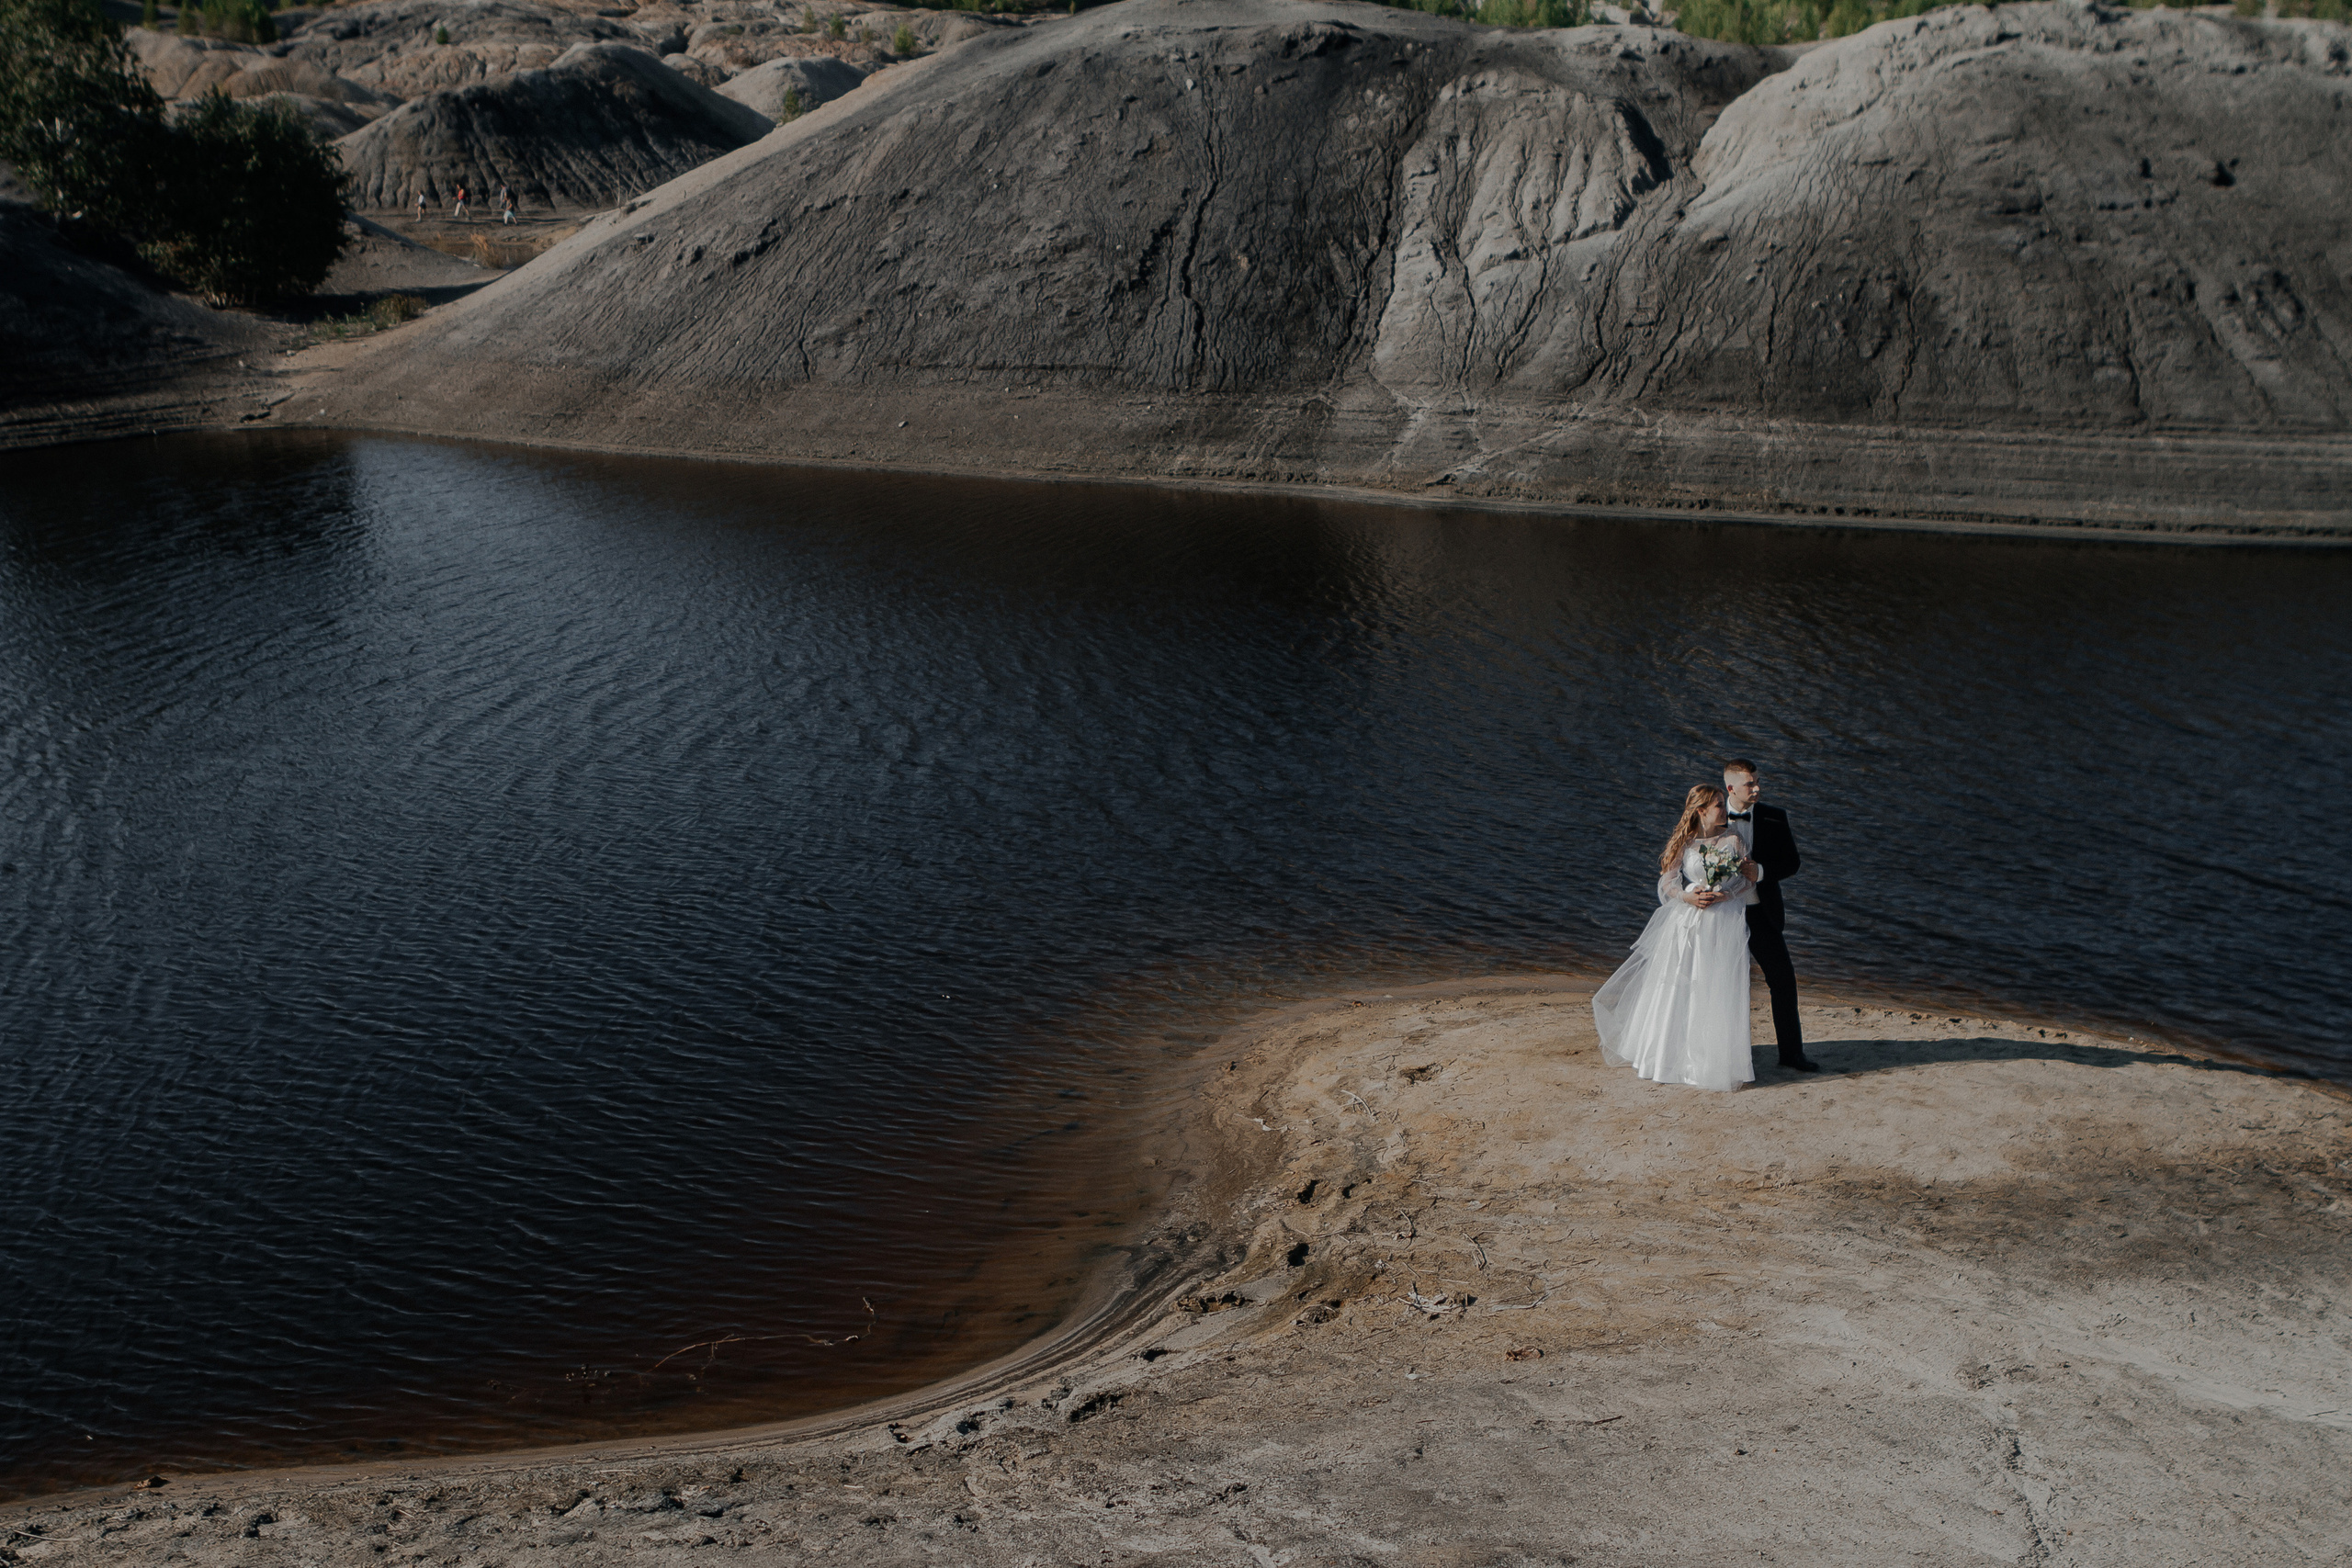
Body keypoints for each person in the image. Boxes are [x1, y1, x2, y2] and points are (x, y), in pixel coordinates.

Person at [1592, 784, 1763, 1091]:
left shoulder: (1735, 839)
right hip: (1687, 921)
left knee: (1715, 985)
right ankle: (1667, 1056)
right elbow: (1668, 881)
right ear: (1701, 811)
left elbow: (1746, 880)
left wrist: (1725, 894)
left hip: (1722, 922)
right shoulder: (1686, 841)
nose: (1724, 810)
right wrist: (1687, 896)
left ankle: (1710, 1059)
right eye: (1718, 805)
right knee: (1680, 983)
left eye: (1722, 804)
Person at [1723, 758, 1819, 1072]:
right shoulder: (1710, 815)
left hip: (1762, 913)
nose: (1757, 788)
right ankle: (1726, 1055)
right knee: (1723, 984)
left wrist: (1761, 871)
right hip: (1723, 917)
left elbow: (1792, 863)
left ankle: (1792, 1055)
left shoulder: (1775, 817)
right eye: (1749, 784)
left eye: (1757, 781)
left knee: (1783, 981)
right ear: (1731, 788)